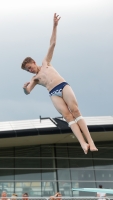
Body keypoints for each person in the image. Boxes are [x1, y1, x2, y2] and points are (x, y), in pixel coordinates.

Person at [21, 13, 98, 154]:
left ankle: (91, 142)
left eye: (30, 67)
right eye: (28, 70)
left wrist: (55, 26)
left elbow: (53, 44)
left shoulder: (46, 63)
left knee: (75, 111)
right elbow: (28, 92)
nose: (30, 70)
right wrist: (25, 88)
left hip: (62, 86)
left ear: (33, 62)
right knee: (68, 117)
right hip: (53, 93)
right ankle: (83, 144)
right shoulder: (35, 79)